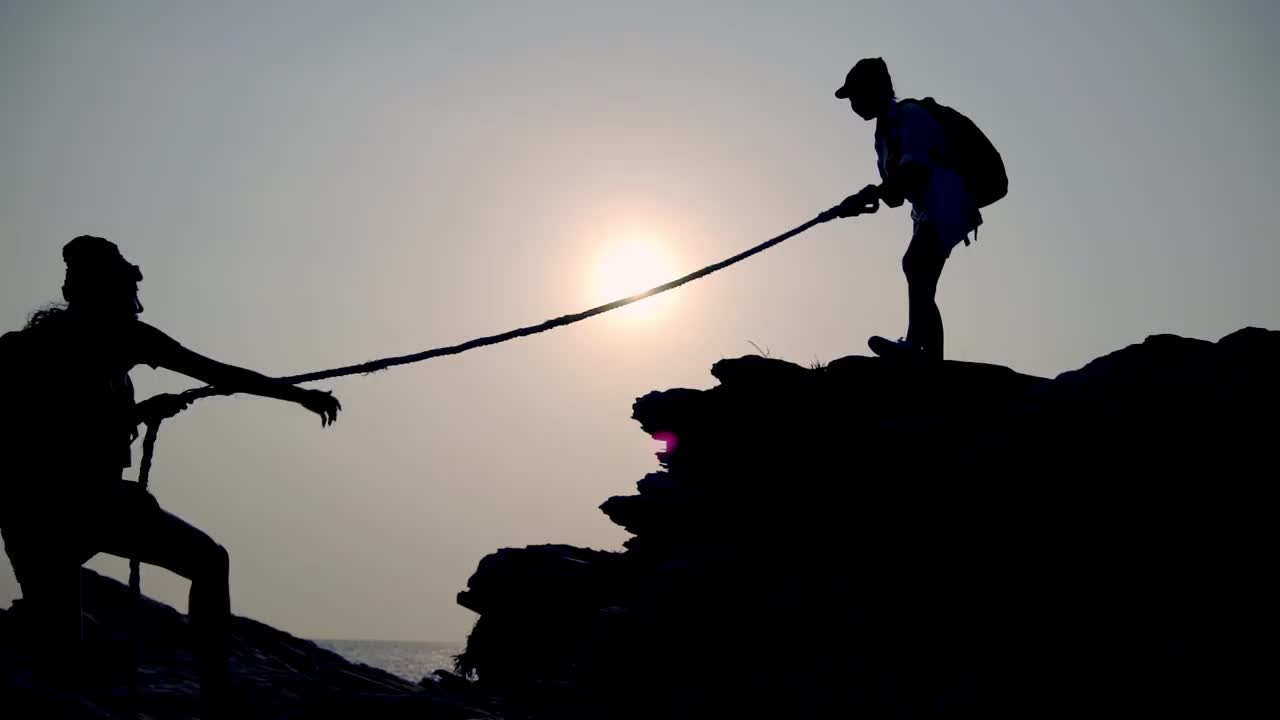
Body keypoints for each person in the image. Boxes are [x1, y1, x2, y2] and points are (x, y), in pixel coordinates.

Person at [0, 235, 342, 711]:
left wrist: (140, 413)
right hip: (88, 505)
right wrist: (300, 396)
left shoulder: (33, 345)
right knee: (209, 560)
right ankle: (216, 693)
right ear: (113, 291)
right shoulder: (122, 335)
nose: (137, 305)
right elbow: (218, 373)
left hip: (27, 518)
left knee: (61, 662)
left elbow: (62, 425)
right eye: (128, 291)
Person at [829, 57, 985, 362]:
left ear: (878, 90)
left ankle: (916, 347)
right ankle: (929, 356)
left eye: (857, 94)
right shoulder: (882, 138)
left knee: (916, 264)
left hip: (947, 196)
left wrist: (872, 193)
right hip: (926, 207)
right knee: (919, 273)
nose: (854, 103)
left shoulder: (910, 116)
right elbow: (896, 195)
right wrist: (861, 202)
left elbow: (914, 171)